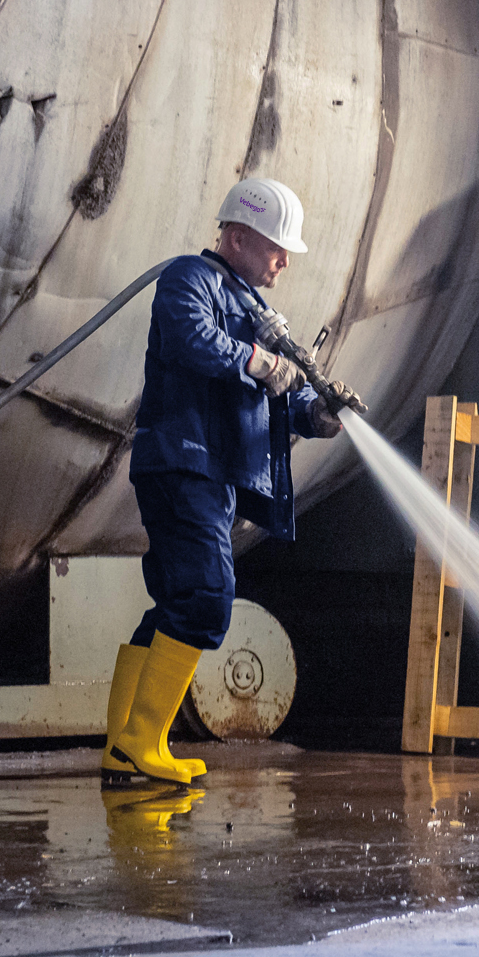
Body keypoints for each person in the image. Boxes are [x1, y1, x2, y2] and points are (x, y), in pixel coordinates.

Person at [102, 178, 343, 787]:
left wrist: (313, 412)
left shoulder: (249, 306)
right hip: (187, 465)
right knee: (209, 601)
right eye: (274, 246)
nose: (284, 259)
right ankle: (140, 743)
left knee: (177, 605)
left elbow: (263, 400)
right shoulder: (189, 279)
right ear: (236, 237)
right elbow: (193, 340)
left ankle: (125, 746)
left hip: (209, 472)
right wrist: (263, 362)